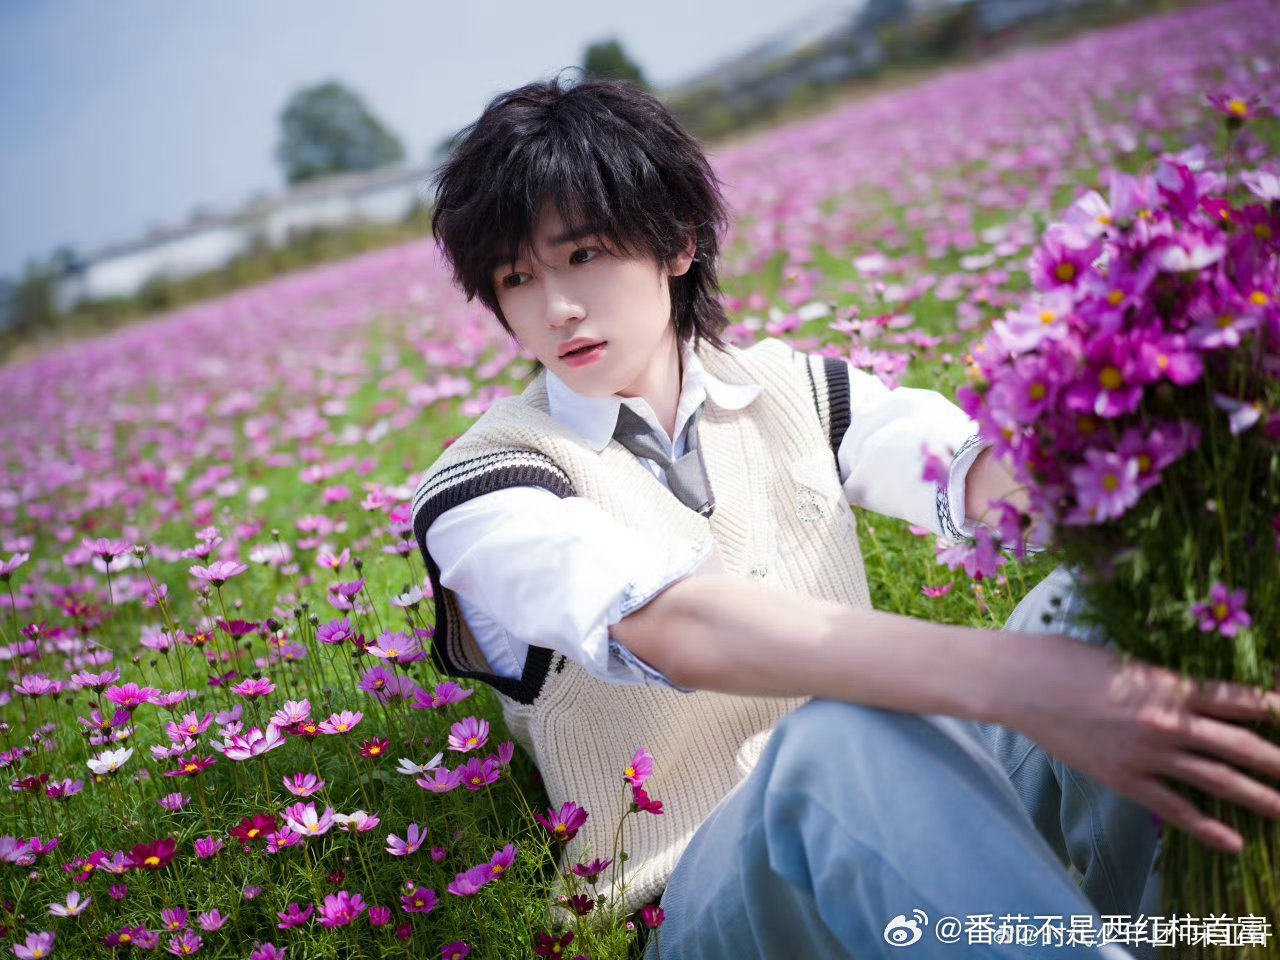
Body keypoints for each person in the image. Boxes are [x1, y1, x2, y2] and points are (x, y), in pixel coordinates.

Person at [410, 71, 1280, 959]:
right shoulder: (484, 488)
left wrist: (1189, 425)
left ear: (678, 242)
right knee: (843, 736)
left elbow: (974, 475)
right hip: (693, 908)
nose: (556, 308)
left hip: (906, 800)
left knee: (1087, 610)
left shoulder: (795, 389)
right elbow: (674, 626)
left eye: (584, 254)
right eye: (517, 277)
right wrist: (1014, 676)